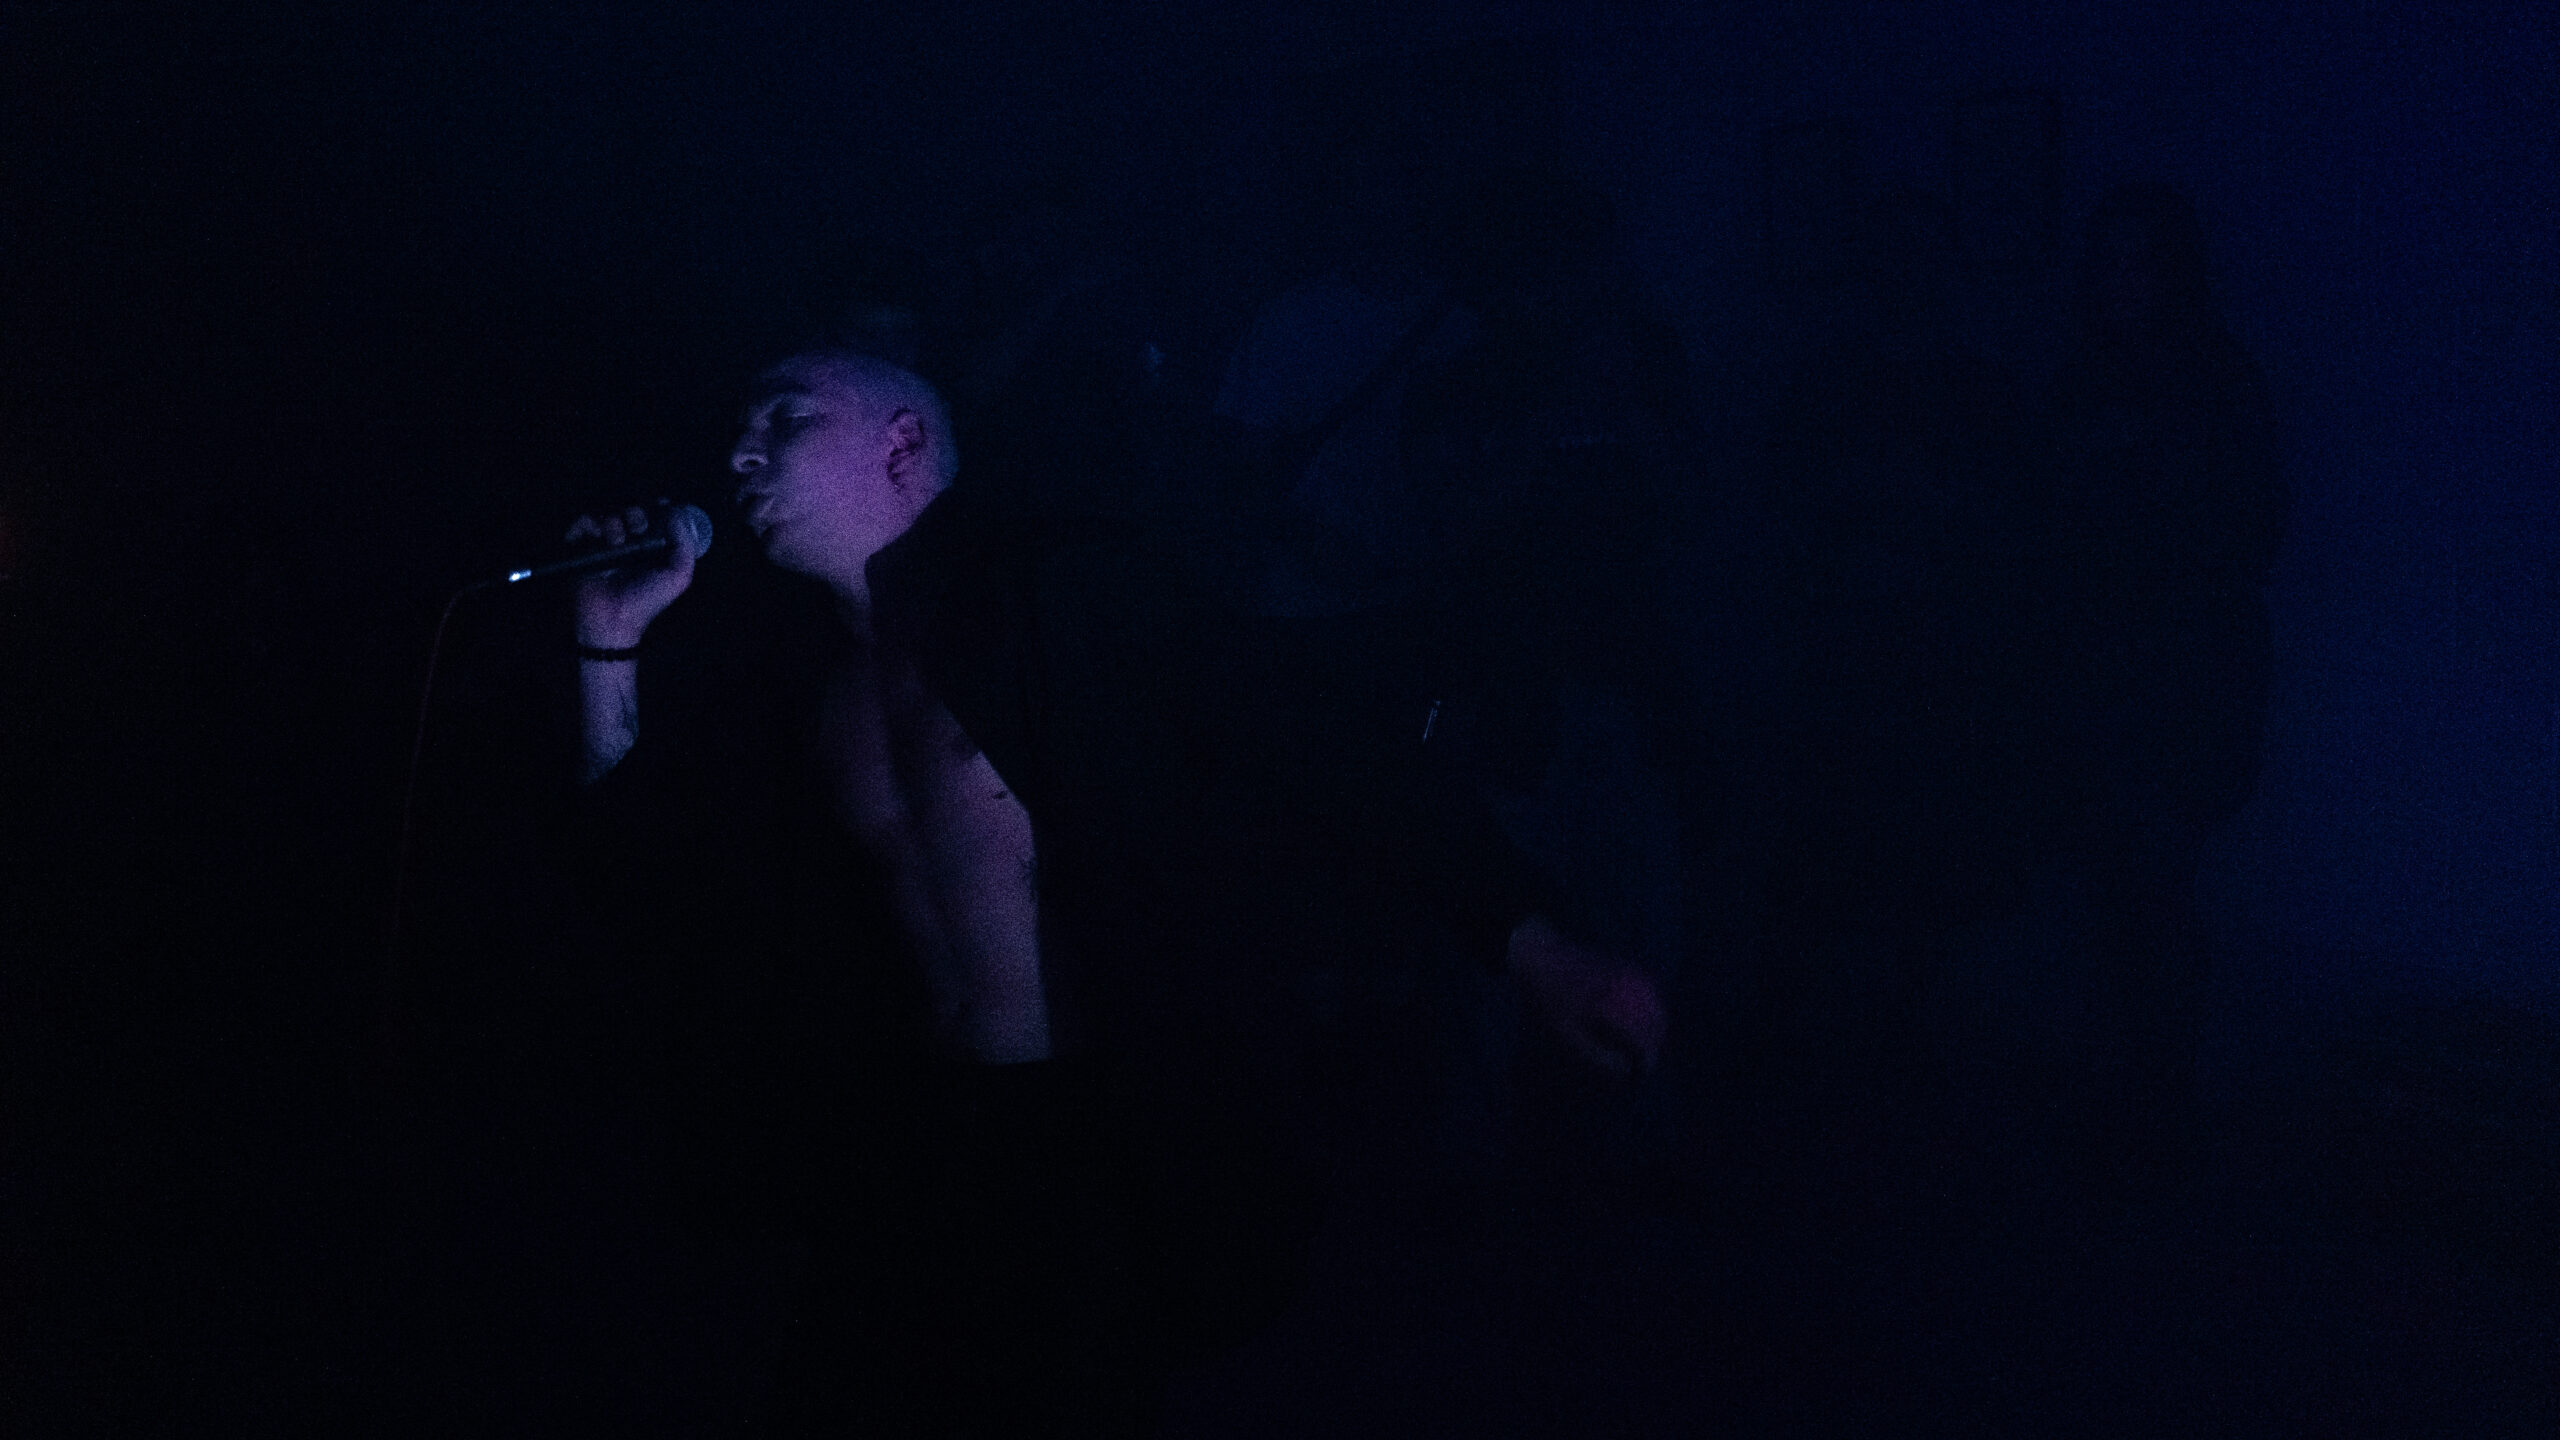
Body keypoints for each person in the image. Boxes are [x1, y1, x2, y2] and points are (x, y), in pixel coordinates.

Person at [563, 345, 1664, 1431]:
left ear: (902, 443)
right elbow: (679, 891)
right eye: (741, 430)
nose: (740, 453)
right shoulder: (808, 686)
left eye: (785, 417)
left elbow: (1315, 740)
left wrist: (1532, 941)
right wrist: (607, 649)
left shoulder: (1066, 589)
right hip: (913, 1145)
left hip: (1088, 1144)